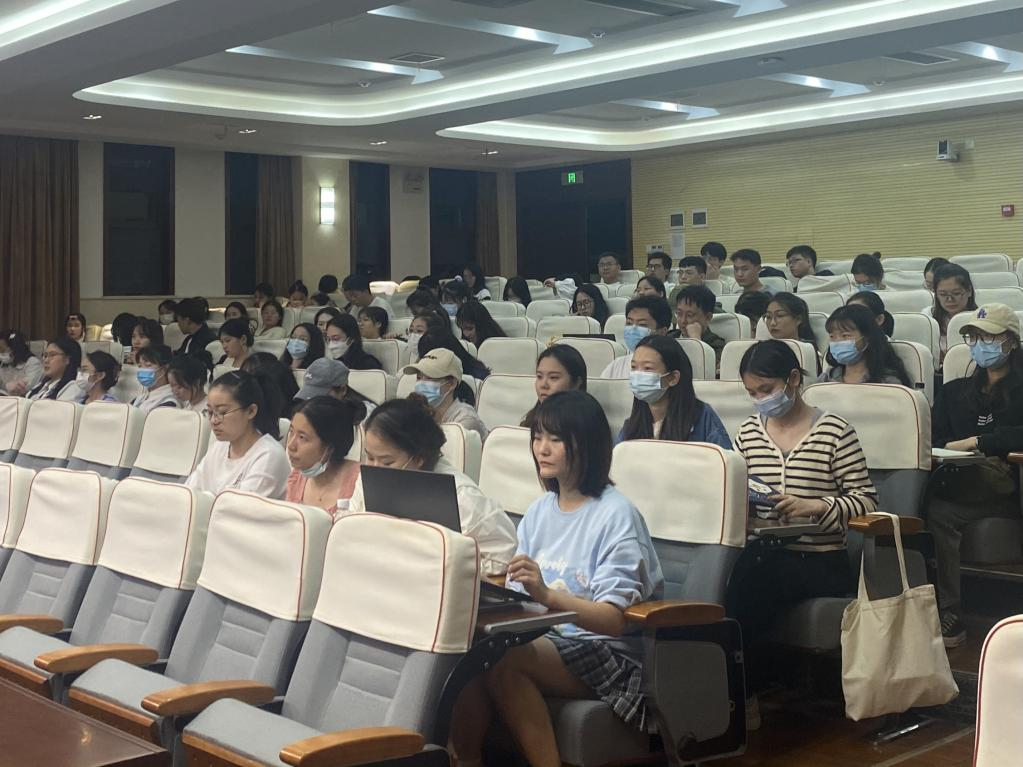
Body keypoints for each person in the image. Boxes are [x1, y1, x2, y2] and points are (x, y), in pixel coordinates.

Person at [450, 390, 663, 767]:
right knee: (467, 651)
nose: (542, 449)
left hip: (609, 654)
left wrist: (546, 595)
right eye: (537, 437)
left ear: (588, 445)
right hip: (548, 638)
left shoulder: (616, 515)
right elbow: (520, 595)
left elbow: (614, 620)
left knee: (504, 659)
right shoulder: (540, 510)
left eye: (556, 439)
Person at [730, 340, 876, 709]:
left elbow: (866, 501)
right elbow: (733, 493)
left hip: (819, 557)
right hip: (764, 550)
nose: (760, 399)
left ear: (793, 379)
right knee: (726, 579)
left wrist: (816, 506)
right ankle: (735, 690)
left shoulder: (835, 431)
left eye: (766, 389)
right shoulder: (748, 433)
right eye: (752, 392)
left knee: (752, 588)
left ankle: (742, 694)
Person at [929, 304, 1023, 647]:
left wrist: (980, 441)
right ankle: (917, 607)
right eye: (974, 337)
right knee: (921, 501)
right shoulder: (955, 391)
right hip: (960, 480)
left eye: (989, 337)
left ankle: (949, 610)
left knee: (940, 512)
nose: (980, 344)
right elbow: (936, 438)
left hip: (1009, 487)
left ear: (1011, 341)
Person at [348, 398, 517, 571]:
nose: (375, 469)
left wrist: (444, 566)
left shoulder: (462, 498)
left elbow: (502, 557)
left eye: (387, 462)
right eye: (370, 457)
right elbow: (351, 531)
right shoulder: (367, 480)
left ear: (418, 458)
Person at [185, 370, 291, 498]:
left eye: (222, 412)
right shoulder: (219, 447)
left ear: (251, 411)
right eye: (210, 412)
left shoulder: (269, 456)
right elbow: (189, 492)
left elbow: (240, 507)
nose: (213, 421)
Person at [619, 335, 731, 447]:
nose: (638, 374)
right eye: (633, 367)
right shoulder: (631, 425)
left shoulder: (702, 417)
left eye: (648, 368)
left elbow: (723, 455)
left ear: (673, 378)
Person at [286, 396, 361, 516]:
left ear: (330, 448)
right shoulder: (296, 479)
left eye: (302, 437)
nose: (291, 446)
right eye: (291, 432)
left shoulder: (359, 483)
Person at [405, 348, 489, 442]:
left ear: (451, 384)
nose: (421, 383)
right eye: (419, 378)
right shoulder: (418, 411)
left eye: (429, 378)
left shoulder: (464, 420)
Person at [819, 305, 911, 385]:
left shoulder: (888, 382)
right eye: (832, 336)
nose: (837, 342)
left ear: (867, 338)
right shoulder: (825, 379)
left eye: (845, 335)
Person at [600, 296, 671, 378]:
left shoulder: (670, 367)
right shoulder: (617, 366)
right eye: (629, 323)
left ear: (662, 332)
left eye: (642, 325)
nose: (633, 329)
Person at [520, 345, 587, 428]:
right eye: (539, 376)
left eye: (553, 377)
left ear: (576, 383)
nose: (543, 385)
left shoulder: (586, 425)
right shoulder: (530, 422)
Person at [295, 357, 376, 424]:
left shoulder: (368, 418)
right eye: (309, 396)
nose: (313, 403)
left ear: (343, 390)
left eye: (321, 396)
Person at [931, 263, 977, 362]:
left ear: (969, 291)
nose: (950, 299)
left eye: (956, 293)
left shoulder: (981, 318)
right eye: (943, 294)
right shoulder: (929, 319)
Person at [669, 285, 726, 364]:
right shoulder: (669, 338)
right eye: (679, 313)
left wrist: (696, 339)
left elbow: (706, 367)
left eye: (689, 315)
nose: (683, 321)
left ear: (708, 317)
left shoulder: (717, 345)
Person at [131, 344, 178, 413]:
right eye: (140, 366)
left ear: (166, 368)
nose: (143, 370)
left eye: (148, 365)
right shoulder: (140, 398)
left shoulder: (170, 402)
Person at [0, 330, 42, 396]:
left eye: (2, 350)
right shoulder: (3, 364)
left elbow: (26, 387)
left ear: (14, 348)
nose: (1, 353)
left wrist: (10, 387)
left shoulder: (33, 363)